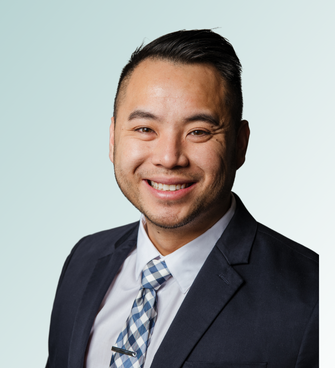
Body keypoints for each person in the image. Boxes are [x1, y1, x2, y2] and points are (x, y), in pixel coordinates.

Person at [46, 29, 319, 368]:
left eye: (199, 132)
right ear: (114, 138)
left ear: (240, 144)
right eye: (145, 129)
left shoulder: (313, 300)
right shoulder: (84, 259)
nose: (169, 157)